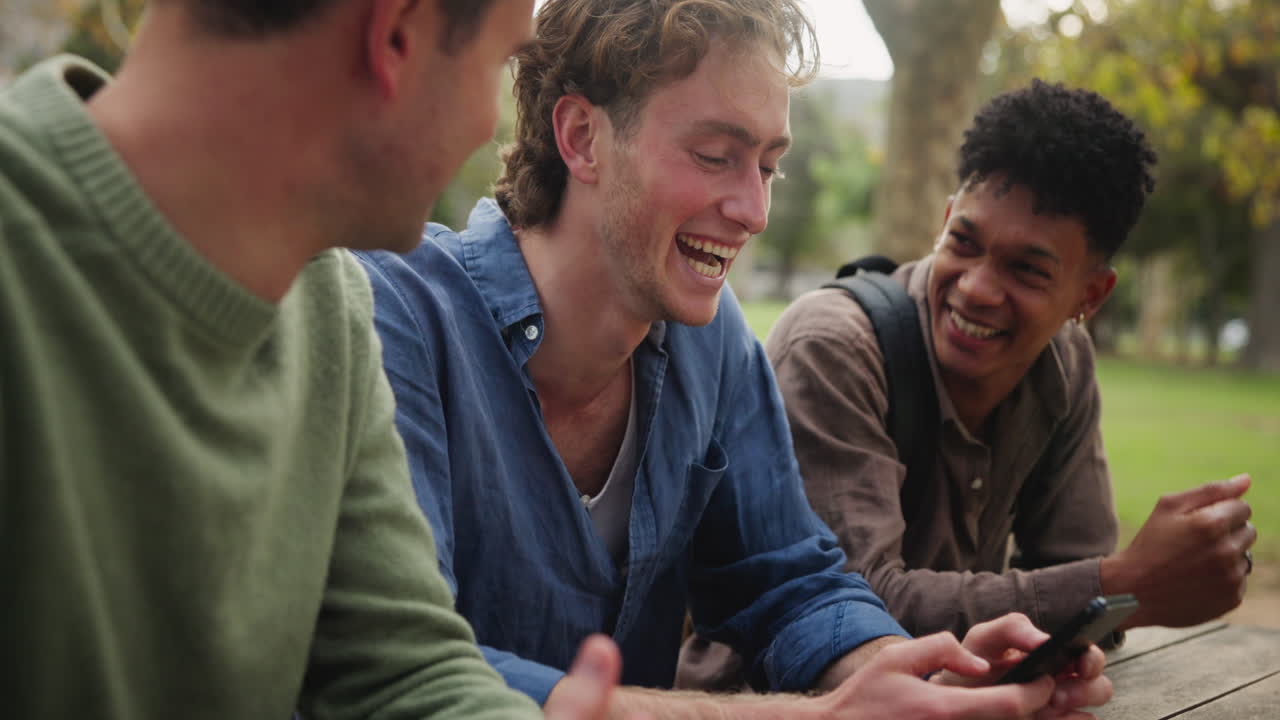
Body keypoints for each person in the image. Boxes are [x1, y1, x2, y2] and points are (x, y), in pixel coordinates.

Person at [354, 2, 1112, 717]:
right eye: (716, 156)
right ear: (582, 137)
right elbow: (400, 671)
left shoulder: (708, 341)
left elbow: (787, 579)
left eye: (769, 166)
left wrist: (907, 671)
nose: (754, 210)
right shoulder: (395, 321)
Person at [0, 0, 622, 717]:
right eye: (497, 65)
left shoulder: (330, 302)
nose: (491, 122)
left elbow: (398, 674)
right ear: (397, 34)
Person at [765, 79, 1258, 640]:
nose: (976, 289)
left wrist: (1112, 603)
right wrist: (1122, 586)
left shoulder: (1064, 362)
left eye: (1027, 269)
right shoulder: (833, 348)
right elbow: (852, 608)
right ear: (946, 218)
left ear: (1090, 297)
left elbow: (1068, 560)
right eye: (964, 243)